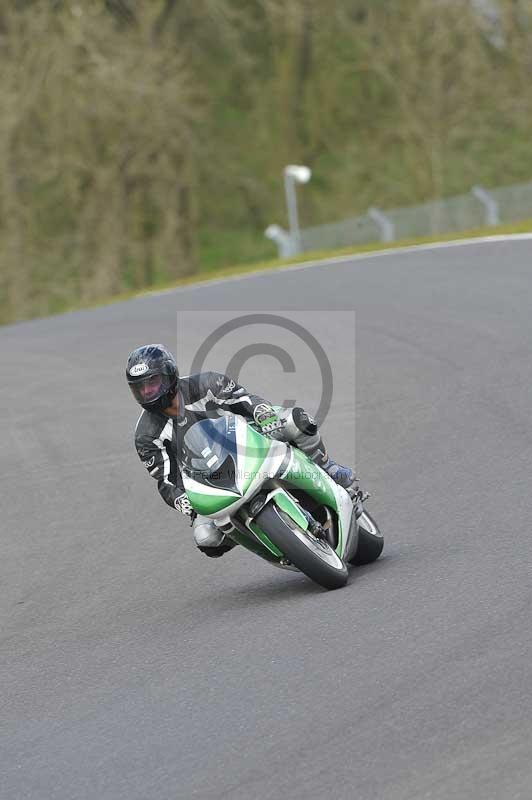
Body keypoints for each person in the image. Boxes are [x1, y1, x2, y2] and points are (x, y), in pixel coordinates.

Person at [127, 344, 359, 557]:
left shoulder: (205, 384)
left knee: (296, 420)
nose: (148, 392)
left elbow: (244, 399)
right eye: (140, 388)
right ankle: (260, 535)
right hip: (209, 479)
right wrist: (181, 500)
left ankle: (328, 467)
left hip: (250, 440)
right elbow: (166, 479)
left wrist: (261, 411)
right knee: (207, 538)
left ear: (169, 376)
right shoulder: (146, 435)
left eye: (152, 383)